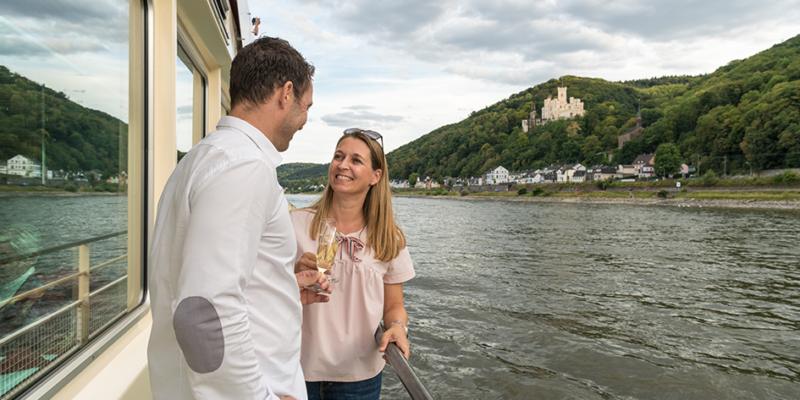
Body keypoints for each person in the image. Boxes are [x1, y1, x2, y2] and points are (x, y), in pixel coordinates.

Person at [147, 37, 328, 400]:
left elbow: (205, 283)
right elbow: (202, 312)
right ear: (286, 94)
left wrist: (282, 292)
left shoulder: (200, 158)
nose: (304, 121)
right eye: (306, 107)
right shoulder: (245, 167)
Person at [291, 128, 416, 400]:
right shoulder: (295, 224)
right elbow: (263, 291)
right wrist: (293, 276)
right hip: (295, 370)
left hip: (359, 377)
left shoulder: (388, 237)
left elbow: (394, 306)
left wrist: (397, 326)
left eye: (356, 160)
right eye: (338, 156)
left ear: (376, 176)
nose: (342, 165)